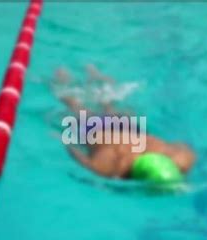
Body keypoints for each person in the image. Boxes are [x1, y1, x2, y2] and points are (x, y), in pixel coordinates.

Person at [50, 65, 196, 184]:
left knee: (109, 103)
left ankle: (90, 72)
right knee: (73, 104)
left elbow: (184, 148)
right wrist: (65, 141)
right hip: (94, 130)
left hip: (128, 127)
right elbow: (77, 155)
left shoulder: (175, 156)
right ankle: (62, 75)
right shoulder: (109, 168)